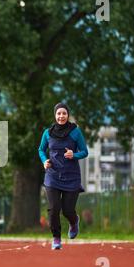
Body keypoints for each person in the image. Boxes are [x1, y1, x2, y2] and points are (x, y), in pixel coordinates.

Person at [38, 103, 89, 250]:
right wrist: (44, 161)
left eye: (64, 113)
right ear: (55, 115)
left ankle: (74, 222)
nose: (61, 116)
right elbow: (41, 150)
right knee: (54, 209)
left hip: (71, 176)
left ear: (68, 115)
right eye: (59, 113)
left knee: (67, 210)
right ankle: (56, 238)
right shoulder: (47, 133)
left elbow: (85, 152)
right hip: (52, 176)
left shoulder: (75, 132)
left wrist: (74, 155)